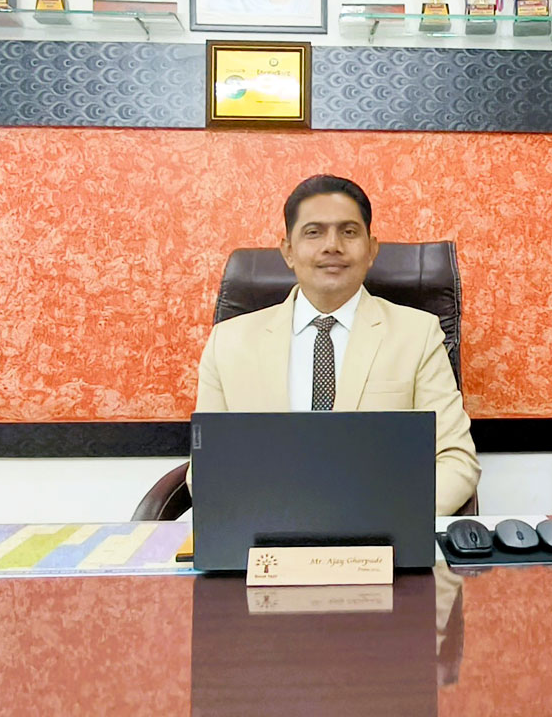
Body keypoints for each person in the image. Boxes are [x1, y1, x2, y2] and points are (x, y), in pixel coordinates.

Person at [190, 175, 480, 515]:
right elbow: (207, 467)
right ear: (288, 251)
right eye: (314, 232)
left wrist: (384, 519)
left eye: (349, 232)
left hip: (382, 530)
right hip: (265, 530)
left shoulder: (417, 335)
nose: (332, 246)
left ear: (371, 250)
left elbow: (456, 460)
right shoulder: (228, 342)